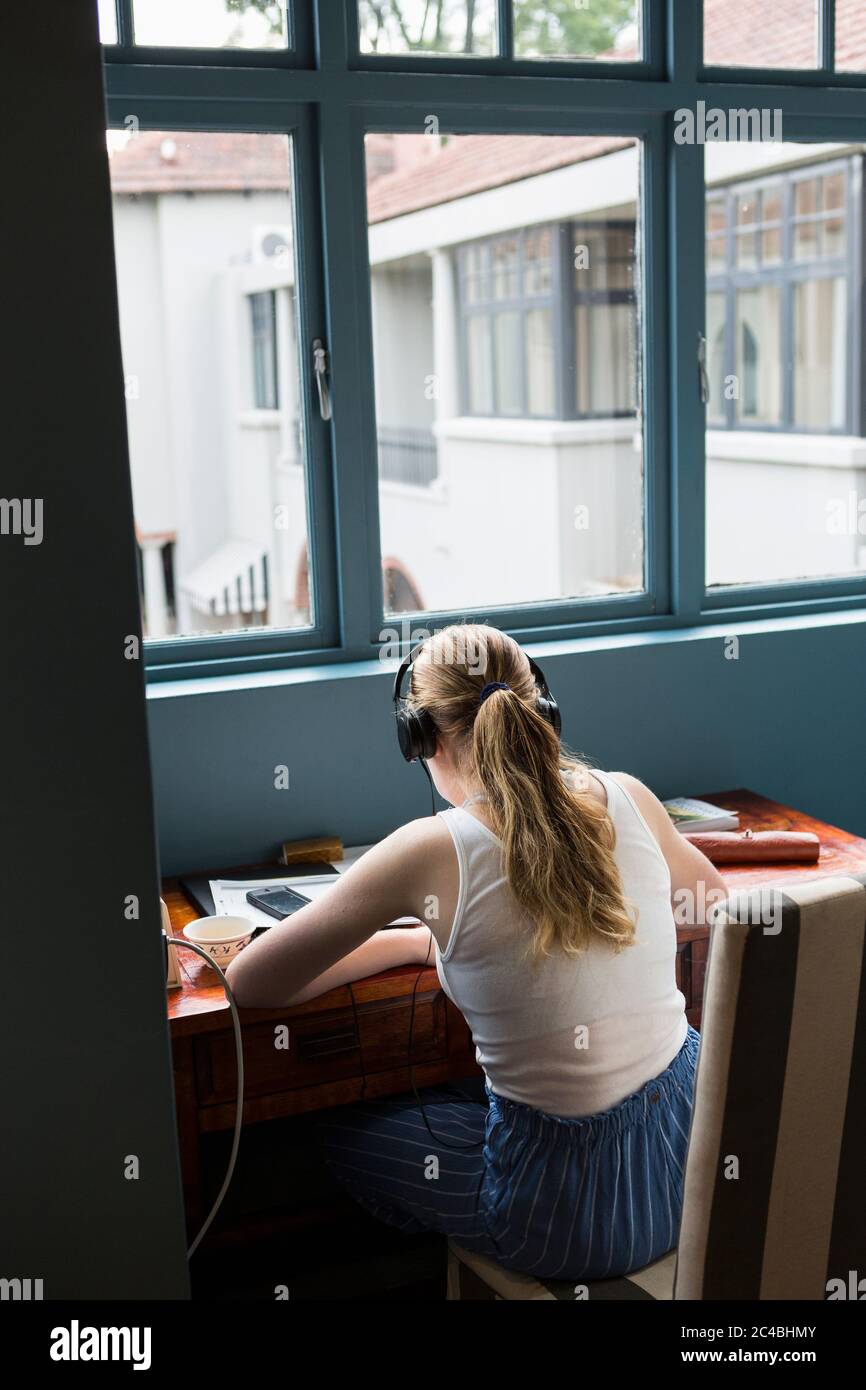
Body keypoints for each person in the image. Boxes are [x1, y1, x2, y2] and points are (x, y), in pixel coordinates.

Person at [226, 624, 727, 1281]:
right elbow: (713, 900)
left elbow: (250, 980)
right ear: (541, 711)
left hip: (568, 1228)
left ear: (421, 738)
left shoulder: (428, 849)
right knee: (472, 1098)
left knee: (341, 1132)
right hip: (693, 1170)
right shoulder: (627, 795)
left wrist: (415, 942)